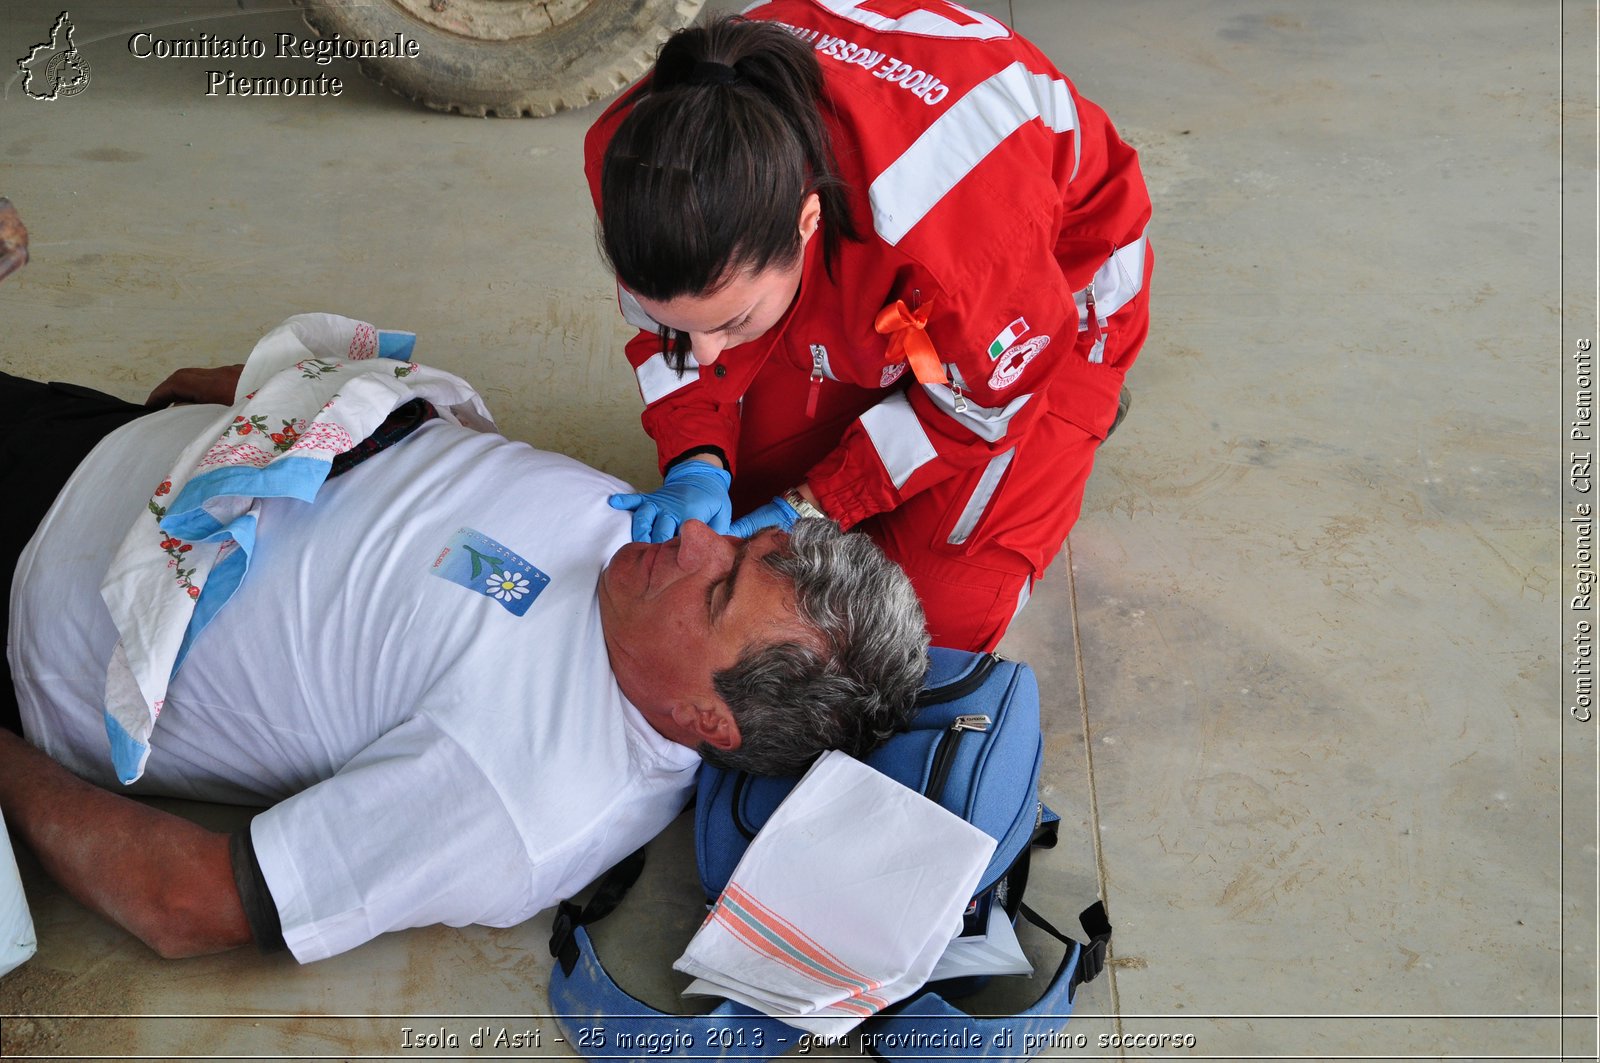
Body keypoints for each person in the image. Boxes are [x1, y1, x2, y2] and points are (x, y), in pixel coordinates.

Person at [0, 364, 928, 964]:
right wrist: (246, 393)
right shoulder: (646, 568)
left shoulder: (523, 796)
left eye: (717, 588)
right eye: (737, 547)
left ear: (707, 721)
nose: (693, 533)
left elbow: (183, 901)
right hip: (113, 445)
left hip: (33, 591)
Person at [586, 0, 1153, 652]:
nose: (706, 351)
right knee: (744, 517)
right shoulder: (642, 155)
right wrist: (698, 457)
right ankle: (859, 365)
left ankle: (1076, 407)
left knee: (930, 622)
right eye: (685, 326)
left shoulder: (957, 245)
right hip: (892, 263)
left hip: (1043, 304)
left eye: (733, 320)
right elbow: (674, 334)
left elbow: (977, 409)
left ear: (806, 222)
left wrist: (817, 501)